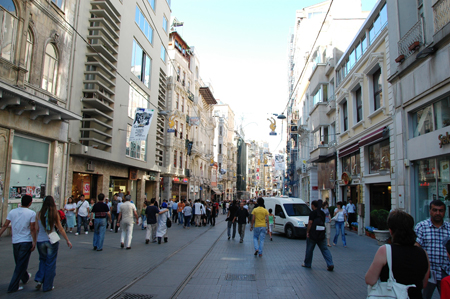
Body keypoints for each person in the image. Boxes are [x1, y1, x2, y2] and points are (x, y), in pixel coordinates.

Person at [365, 210, 430, 299]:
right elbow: (424, 283)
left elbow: (370, 280)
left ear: (391, 231)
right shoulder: (423, 253)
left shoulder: (385, 251)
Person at [34, 196, 72, 292]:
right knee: (50, 263)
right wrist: (67, 240)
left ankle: (39, 279)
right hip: (51, 241)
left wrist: (34, 241)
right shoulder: (54, 214)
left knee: (42, 260)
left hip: (40, 240)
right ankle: (47, 285)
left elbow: (36, 228)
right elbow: (60, 228)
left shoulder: (38, 214)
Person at [0, 195, 37, 293]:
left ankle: (25, 278)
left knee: (20, 262)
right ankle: (13, 286)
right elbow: (32, 228)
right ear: (30, 203)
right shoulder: (31, 213)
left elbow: (5, 225)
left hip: (15, 241)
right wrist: (34, 241)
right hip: (26, 240)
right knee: (21, 263)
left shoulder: (12, 212)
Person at [415, 200, 450, 298]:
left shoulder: (449, 228)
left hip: (446, 270)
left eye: (441, 210)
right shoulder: (421, 227)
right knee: (424, 296)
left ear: (444, 212)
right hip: (428, 272)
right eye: (435, 210)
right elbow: (417, 248)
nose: (438, 213)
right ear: (430, 211)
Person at [302, 200, 334, 271]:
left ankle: (307, 263)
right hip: (321, 233)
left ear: (313, 205)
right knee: (324, 249)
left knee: (309, 249)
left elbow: (310, 223)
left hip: (313, 234)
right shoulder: (322, 213)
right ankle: (330, 263)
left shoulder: (312, 213)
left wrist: (308, 232)